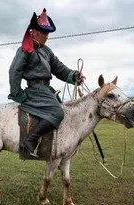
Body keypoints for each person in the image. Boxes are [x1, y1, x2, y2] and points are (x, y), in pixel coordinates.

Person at [8, 8, 85, 158]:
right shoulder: (24, 50)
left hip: (46, 89)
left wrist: (73, 75)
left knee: (63, 109)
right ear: (34, 32)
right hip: (35, 90)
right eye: (44, 32)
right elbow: (14, 71)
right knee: (57, 112)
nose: (47, 36)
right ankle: (30, 140)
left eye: (48, 33)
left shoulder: (46, 51)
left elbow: (58, 68)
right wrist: (17, 94)